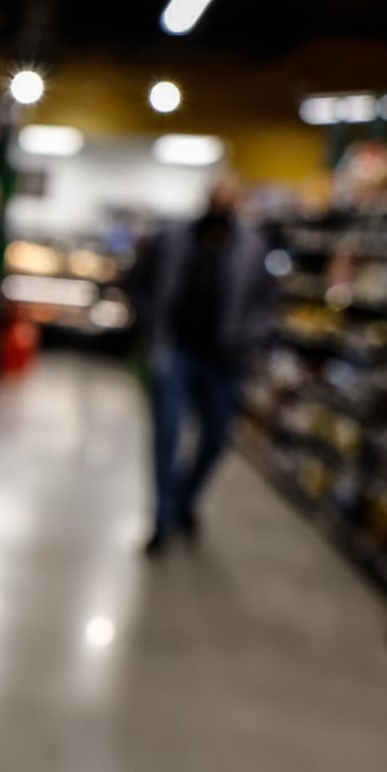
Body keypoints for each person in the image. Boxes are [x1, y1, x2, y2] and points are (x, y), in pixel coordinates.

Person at [131, 178, 278, 556]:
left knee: (216, 438)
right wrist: (150, 326)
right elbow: (137, 282)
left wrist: (248, 337)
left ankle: (185, 500)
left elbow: (266, 303)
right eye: (218, 200)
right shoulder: (172, 240)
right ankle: (162, 519)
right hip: (175, 350)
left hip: (224, 360)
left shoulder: (252, 248)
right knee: (166, 433)